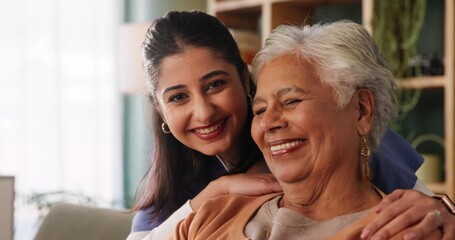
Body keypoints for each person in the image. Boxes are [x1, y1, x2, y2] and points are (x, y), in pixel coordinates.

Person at [127, 11, 455, 240]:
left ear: (245, 77)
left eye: (215, 85)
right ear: (160, 110)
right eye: (178, 97)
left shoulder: (347, 134)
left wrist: (443, 213)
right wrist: (217, 192)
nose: (203, 112)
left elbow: (431, 210)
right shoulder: (182, 180)